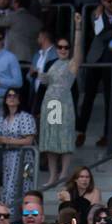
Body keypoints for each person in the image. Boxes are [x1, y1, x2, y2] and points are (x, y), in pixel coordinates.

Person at [36, 16, 82, 187]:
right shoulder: (51, 63)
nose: (63, 50)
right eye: (60, 47)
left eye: (66, 47)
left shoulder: (72, 64)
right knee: (50, 139)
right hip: (50, 103)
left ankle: (64, 173)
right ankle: (53, 175)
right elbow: (46, 83)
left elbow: (78, 52)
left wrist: (78, 28)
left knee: (65, 137)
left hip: (64, 103)